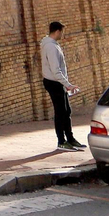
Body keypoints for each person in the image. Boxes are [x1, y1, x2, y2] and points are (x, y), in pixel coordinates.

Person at [41, 21, 83, 150]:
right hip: (54, 82)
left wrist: (65, 84)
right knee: (60, 112)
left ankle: (70, 138)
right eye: (61, 32)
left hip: (58, 82)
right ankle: (61, 141)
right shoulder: (51, 47)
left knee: (66, 111)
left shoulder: (52, 44)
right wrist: (68, 85)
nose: (62, 35)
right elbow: (56, 70)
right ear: (57, 31)